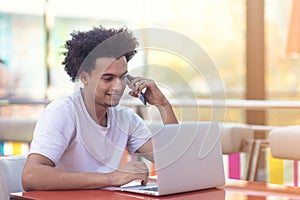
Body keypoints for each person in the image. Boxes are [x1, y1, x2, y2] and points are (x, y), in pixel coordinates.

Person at [22, 26, 178, 191]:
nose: (118, 87)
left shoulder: (125, 118)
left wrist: (163, 105)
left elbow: (173, 158)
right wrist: (112, 178)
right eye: (108, 78)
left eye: (123, 77)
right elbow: (31, 177)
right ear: (84, 77)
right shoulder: (63, 112)